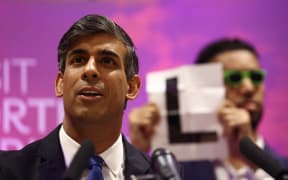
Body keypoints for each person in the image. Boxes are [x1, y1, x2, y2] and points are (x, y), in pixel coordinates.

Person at [0, 14, 153, 180]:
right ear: (60, 84)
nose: (90, 70)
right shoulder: (6, 171)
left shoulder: (167, 175)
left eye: (107, 61)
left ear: (131, 87)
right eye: (78, 60)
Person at [129, 38, 288, 179]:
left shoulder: (284, 170)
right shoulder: (174, 173)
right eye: (234, 78)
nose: (248, 88)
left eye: (256, 77)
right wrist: (136, 152)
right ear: (202, 91)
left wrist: (255, 159)